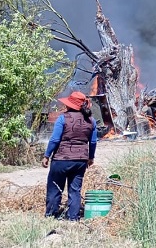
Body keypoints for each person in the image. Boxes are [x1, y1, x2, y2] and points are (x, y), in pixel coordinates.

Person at [43, 91, 97, 220]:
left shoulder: (63, 118)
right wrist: (91, 157)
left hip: (61, 159)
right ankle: (73, 217)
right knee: (75, 190)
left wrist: (47, 155)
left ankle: (51, 215)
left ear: (69, 105)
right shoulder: (91, 120)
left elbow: (55, 139)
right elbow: (93, 142)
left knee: (55, 187)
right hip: (80, 161)